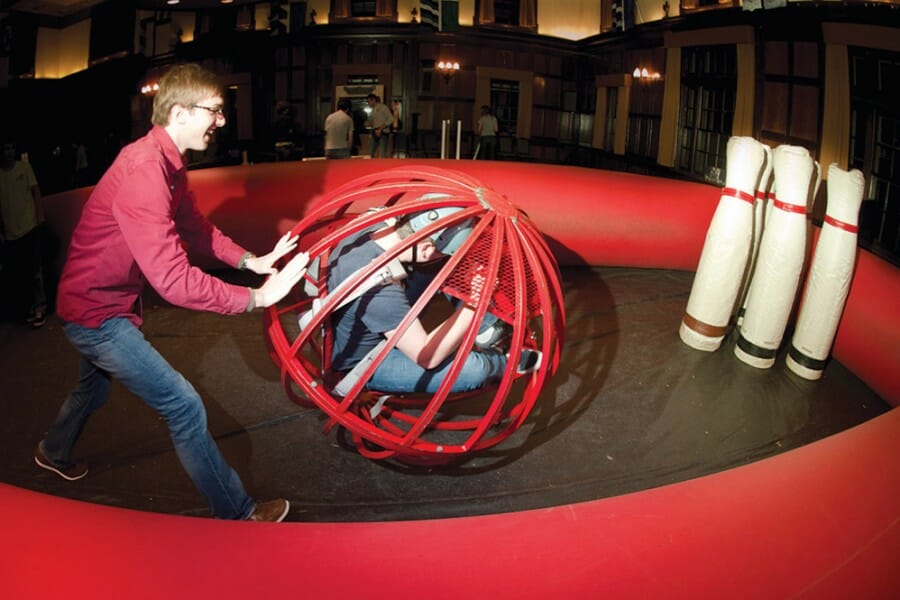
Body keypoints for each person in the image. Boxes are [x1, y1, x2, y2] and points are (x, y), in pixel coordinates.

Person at [34, 63, 310, 522]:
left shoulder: (169, 165)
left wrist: (249, 262)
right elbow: (173, 281)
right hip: (97, 316)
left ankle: (52, 451)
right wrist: (257, 297)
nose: (221, 121)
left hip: (99, 302)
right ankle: (238, 514)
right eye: (214, 111)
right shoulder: (144, 171)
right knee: (182, 404)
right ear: (179, 113)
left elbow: (195, 229)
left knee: (92, 390)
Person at [323, 205, 540, 395]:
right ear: (426, 249)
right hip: (365, 358)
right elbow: (427, 356)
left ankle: (485, 329)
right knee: (474, 371)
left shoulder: (377, 221)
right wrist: (475, 304)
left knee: (445, 265)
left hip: (370, 312)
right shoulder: (379, 290)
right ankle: (502, 362)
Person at [0, 139, 48, 327]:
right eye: (5, 149)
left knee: (35, 270)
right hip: (11, 231)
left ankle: (40, 307)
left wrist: (40, 216)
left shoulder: (24, 168)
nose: (9, 152)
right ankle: (28, 308)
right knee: (20, 273)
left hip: (29, 226)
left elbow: (36, 191)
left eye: (11, 148)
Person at [366, 93, 394, 158]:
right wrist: (369, 123)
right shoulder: (373, 110)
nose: (368, 103)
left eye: (369, 101)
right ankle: (371, 167)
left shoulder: (383, 107)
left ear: (373, 100)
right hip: (375, 132)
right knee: (370, 153)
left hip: (383, 132)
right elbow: (373, 122)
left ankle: (382, 167)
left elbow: (391, 119)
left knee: (382, 154)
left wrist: (381, 128)